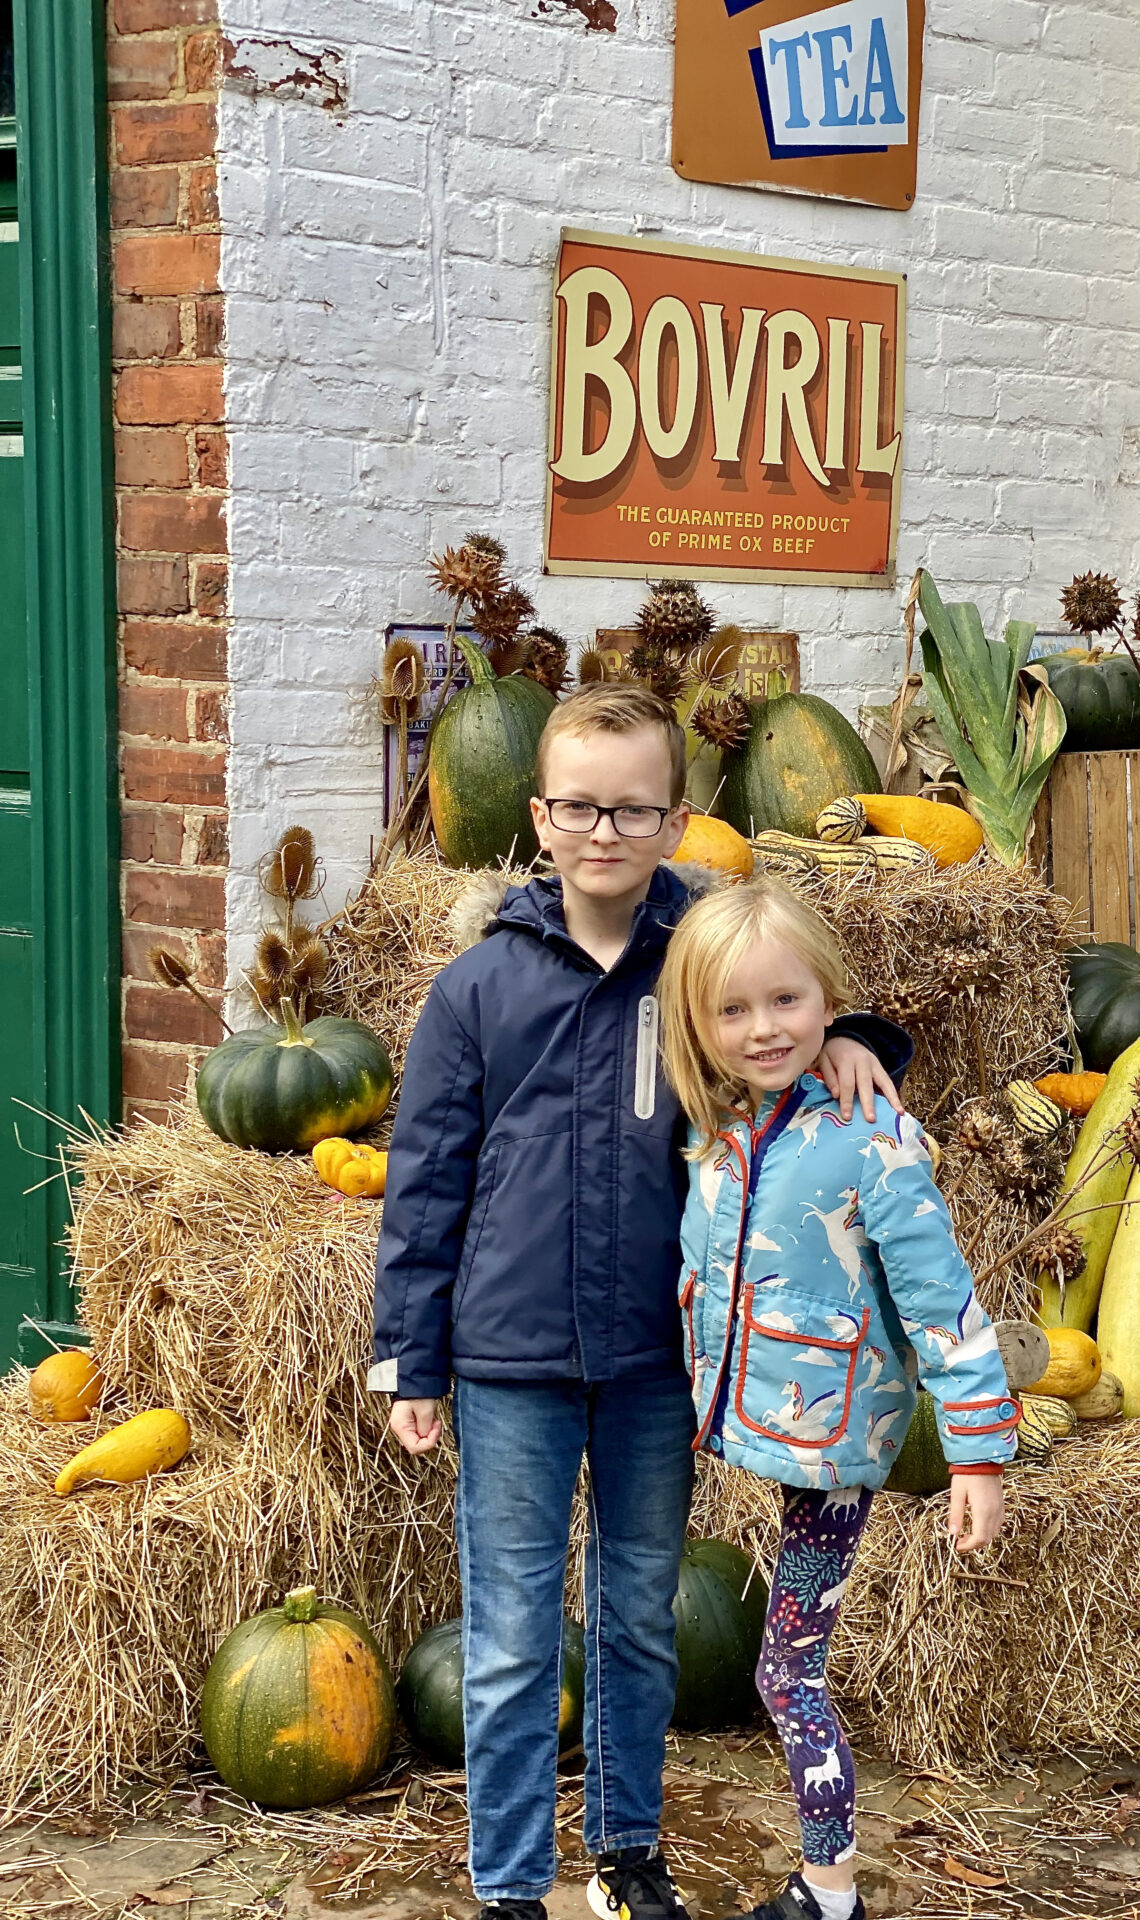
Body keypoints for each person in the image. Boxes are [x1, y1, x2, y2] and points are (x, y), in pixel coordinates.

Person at [370, 684, 908, 1920]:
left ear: (675, 819)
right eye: (579, 806)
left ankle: (625, 1857)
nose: (604, 830)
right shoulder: (478, 990)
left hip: (659, 1358)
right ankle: (510, 1885)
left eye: (633, 808)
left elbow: (790, 1009)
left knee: (637, 1621)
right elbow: (424, 1177)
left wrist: (854, 1038)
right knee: (509, 1639)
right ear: (539, 819)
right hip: (507, 1357)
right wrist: (412, 1351)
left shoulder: (705, 961)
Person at [657, 880, 1019, 1920]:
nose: (764, 1028)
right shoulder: (717, 1122)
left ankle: (830, 1892)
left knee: (787, 1676)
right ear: (699, 1025)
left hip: (832, 1447)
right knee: (780, 1666)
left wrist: (978, 1454)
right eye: (734, 1011)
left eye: (788, 1003)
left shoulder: (872, 1136)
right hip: (755, 1420)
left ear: (827, 998)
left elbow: (943, 1298)